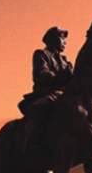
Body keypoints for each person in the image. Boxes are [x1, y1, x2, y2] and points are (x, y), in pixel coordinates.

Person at [19, 26, 74, 156]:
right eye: (62, 38)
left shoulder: (66, 62)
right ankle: (32, 143)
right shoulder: (41, 54)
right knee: (40, 108)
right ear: (53, 39)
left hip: (64, 96)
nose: (65, 42)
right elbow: (40, 75)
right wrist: (61, 77)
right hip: (47, 94)